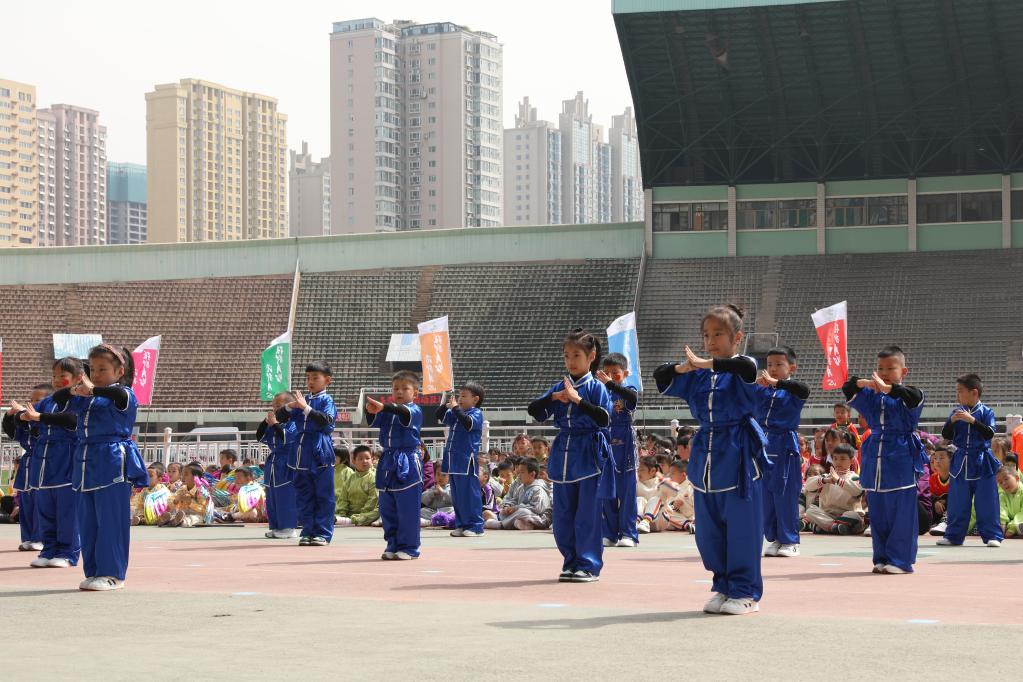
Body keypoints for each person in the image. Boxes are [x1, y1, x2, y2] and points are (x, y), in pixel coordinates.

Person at [654, 304, 771, 615]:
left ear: (737, 337)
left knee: (742, 527)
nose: (711, 341)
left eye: (718, 334)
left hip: (738, 454)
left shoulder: (740, 368)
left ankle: (745, 592)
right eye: (706, 335)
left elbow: (747, 368)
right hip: (705, 453)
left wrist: (710, 363)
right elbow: (661, 377)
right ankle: (722, 585)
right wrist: (685, 368)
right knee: (709, 531)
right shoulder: (700, 374)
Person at [527, 329, 613, 583]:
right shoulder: (559, 386)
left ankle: (588, 564)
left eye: (577, 355)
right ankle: (570, 560)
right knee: (563, 514)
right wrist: (554, 397)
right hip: (563, 454)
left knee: (587, 513)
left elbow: (604, 419)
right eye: (567, 356)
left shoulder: (596, 387)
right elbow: (535, 410)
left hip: (588, 453)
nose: (571, 361)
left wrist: (578, 401)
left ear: (591, 356)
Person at [63, 344, 148, 590]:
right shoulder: (88, 398)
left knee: (111, 520)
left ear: (119, 371)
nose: (96, 373)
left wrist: (94, 390)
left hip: (111, 461)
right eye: (93, 368)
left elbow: (120, 396)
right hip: (85, 460)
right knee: (88, 522)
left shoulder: (124, 394)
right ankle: (94, 571)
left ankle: (112, 574)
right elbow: (64, 403)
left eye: (103, 369)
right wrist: (74, 391)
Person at [843, 345, 926, 574]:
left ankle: (901, 561)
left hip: (900, 453)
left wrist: (890, 389)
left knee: (901, 512)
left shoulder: (908, 394)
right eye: (880, 368)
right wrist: (862, 383)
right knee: (877, 511)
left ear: (904, 371)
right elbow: (847, 387)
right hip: (874, 454)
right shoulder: (872, 394)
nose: (885, 372)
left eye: (891, 368)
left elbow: (914, 396)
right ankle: (881, 557)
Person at [11, 362, 80, 568]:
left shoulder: (80, 401)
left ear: (78, 378)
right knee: (45, 510)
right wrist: (22, 416)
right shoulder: (48, 401)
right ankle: (48, 550)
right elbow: (24, 418)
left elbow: (71, 420)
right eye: (54, 375)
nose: (58, 380)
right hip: (43, 462)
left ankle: (68, 553)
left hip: (66, 459)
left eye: (63, 375)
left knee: (66, 511)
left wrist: (37, 417)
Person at [753, 345, 809, 558]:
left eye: (779, 364)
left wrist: (779, 383)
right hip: (762, 444)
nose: (773, 369)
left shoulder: (792, 392)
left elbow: (804, 389)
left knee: (785, 493)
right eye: (769, 365)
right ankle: (774, 538)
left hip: (784, 444)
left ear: (791, 368)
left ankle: (791, 540)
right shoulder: (761, 389)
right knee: (765, 495)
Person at [938, 374, 1002, 548]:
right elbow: (946, 435)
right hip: (960, 462)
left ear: (974, 392)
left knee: (986, 500)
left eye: (960, 391)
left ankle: (992, 535)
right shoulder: (956, 412)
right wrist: (951, 421)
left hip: (982, 461)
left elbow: (989, 433)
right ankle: (953, 536)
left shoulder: (987, 412)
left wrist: (972, 420)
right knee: (958, 501)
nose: (957, 395)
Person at [366, 370, 424, 560]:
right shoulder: (389, 411)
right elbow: (374, 421)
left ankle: (409, 547)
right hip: (387, 459)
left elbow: (400, 411)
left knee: (407, 506)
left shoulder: (413, 410)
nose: (399, 392)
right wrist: (371, 411)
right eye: (395, 388)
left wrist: (384, 407)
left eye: (404, 388)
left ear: (415, 393)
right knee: (387, 505)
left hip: (407, 459)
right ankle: (393, 543)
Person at [288, 362, 337, 547]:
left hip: (319, 449)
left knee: (323, 494)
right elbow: (283, 417)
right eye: (308, 378)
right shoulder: (303, 400)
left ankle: (323, 533)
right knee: (304, 494)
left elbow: (327, 422)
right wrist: (289, 407)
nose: (311, 381)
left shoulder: (327, 400)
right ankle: (307, 531)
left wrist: (305, 408)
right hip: (301, 450)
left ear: (327, 381)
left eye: (315, 378)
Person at [597, 352, 640, 548]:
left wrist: (611, 384)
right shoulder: (600, 392)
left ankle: (629, 533)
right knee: (607, 490)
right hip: (606, 440)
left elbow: (632, 397)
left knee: (627, 491)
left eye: (615, 373)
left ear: (625, 373)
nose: (610, 376)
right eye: (606, 373)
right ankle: (610, 533)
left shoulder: (627, 389)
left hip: (625, 443)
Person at [3, 383, 51, 552]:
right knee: (26, 502)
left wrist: (25, 414)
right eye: (31, 400)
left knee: (40, 503)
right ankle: (28, 537)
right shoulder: (27, 422)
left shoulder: (49, 421)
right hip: (28, 464)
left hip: (44, 462)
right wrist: (10, 416)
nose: (32, 403)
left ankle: (41, 538)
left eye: (37, 400)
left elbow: (40, 433)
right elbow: (12, 432)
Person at [436, 382, 486, 537]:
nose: (460, 399)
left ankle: (476, 526)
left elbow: (468, 423)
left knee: (469, 494)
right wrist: (446, 404)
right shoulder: (456, 413)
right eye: (459, 396)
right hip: (453, 460)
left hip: (466, 460)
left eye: (464, 396)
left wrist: (456, 408)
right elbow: (439, 415)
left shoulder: (476, 413)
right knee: (457, 495)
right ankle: (462, 524)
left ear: (475, 399)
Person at [257, 391, 298, 539]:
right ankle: (276, 526)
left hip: (287, 461)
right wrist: (266, 421)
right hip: (273, 462)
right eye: (273, 406)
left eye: (278, 406)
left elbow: (286, 438)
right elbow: (259, 436)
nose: (275, 409)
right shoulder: (276, 423)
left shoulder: (294, 421)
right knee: (272, 496)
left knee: (285, 495)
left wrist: (274, 424)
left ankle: (289, 527)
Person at [802, 445, 865, 534]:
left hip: (846, 514)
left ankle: (825, 527)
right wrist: (825, 480)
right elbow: (808, 485)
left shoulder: (855, 477)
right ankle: (835, 527)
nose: (838, 462)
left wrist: (839, 481)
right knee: (810, 511)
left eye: (842, 459)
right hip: (828, 515)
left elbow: (858, 491)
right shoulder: (827, 477)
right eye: (835, 458)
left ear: (851, 461)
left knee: (854, 515)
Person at [484, 458, 552, 530]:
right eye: (518, 472)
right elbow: (514, 500)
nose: (518, 475)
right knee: (512, 516)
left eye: (522, 472)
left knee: (523, 511)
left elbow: (537, 508)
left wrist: (516, 508)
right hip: (522, 516)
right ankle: (520, 524)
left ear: (532, 474)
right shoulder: (521, 487)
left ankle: (501, 524)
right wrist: (508, 507)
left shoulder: (538, 489)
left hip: (539, 518)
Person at [640, 458, 695, 532]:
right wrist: (673, 505)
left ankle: (692, 525)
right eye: (669, 473)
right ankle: (688, 525)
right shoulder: (671, 486)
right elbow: (668, 507)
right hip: (674, 519)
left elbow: (697, 507)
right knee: (666, 510)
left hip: (691, 518)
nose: (670, 476)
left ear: (683, 475)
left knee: (669, 514)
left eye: (673, 473)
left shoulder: (691, 487)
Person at [334, 445, 379, 527]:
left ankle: (350, 521)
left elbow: (373, 500)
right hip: (350, 513)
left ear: (372, 460)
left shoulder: (375, 477)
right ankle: (344, 519)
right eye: (360, 459)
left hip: (367, 513)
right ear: (354, 461)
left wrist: (362, 515)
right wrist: (341, 513)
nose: (364, 461)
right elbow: (343, 498)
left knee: (379, 511)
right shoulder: (351, 478)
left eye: (367, 458)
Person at [162, 463, 213, 527]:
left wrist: (190, 502)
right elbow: (170, 500)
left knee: (193, 519)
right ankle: (171, 520)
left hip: (197, 515)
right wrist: (176, 500)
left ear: (195, 477)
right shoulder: (182, 488)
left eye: (186, 475)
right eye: (182, 474)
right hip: (182, 513)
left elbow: (203, 510)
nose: (182, 477)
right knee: (173, 514)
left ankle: (181, 521)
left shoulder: (201, 491)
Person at [634, 455, 662, 535]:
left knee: (656, 498)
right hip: (640, 522)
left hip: (657, 521)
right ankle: (636, 522)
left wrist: (663, 479)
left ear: (653, 471)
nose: (639, 472)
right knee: (640, 499)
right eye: (638, 469)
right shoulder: (636, 482)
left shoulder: (660, 482)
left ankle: (646, 521)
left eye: (642, 469)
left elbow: (676, 491)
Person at [928, 445, 952, 535]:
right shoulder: (933, 478)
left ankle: (946, 523)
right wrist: (936, 502)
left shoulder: (955, 478)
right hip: (938, 511)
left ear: (951, 460)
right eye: (935, 458)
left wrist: (944, 501)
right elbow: (930, 495)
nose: (937, 461)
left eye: (941, 458)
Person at [997, 467, 1023, 537]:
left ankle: (1018, 528)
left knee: (1017, 525)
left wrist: (1011, 529)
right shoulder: (1003, 495)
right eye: (1000, 482)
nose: (1004, 483)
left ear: (1017, 478)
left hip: (1017, 521)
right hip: (1011, 522)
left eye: (1006, 479)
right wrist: (1002, 524)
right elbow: (1002, 510)